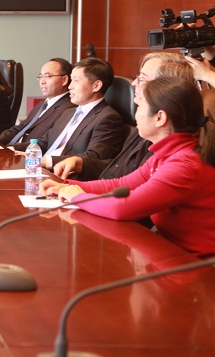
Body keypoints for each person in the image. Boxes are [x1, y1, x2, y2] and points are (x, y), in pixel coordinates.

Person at [41, 77, 215, 258]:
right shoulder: (166, 155)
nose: (135, 115)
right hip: (173, 253)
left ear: (160, 118)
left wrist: (77, 197)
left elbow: (123, 207)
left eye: (139, 107)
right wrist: (66, 186)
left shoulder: (184, 165)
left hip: (198, 264)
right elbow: (121, 184)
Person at [54, 53, 193, 180]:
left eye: (142, 78)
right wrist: (81, 164)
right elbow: (120, 169)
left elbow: (131, 187)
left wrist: (77, 192)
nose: (134, 83)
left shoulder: (173, 153)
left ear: (167, 88)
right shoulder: (141, 129)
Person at [15, 57, 124, 170]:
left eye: (76, 81)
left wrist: (46, 161)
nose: (70, 86)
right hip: (39, 167)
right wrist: (12, 149)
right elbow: (44, 142)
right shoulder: (69, 112)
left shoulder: (108, 118)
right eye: (71, 80)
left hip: (63, 174)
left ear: (96, 86)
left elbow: (93, 158)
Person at [0, 58, 75, 146]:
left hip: (27, 152)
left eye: (48, 76)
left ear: (64, 80)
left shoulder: (69, 108)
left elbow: (46, 142)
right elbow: (19, 128)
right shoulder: (42, 105)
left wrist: (13, 148)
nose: (42, 82)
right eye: (40, 76)